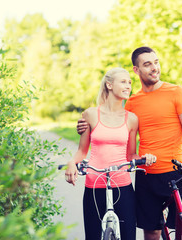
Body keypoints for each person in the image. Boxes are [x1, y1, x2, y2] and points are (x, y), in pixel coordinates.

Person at [77, 47, 182, 240]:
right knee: (151, 232)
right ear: (136, 70)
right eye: (147, 64)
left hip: (175, 172)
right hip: (146, 174)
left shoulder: (177, 92)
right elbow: (115, 126)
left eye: (156, 62)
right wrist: (86, 126)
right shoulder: (132, 102)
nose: (154, 68)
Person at [65, 67, 156, 240]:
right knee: (93, 236)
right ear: (109, 85)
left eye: (130, 82)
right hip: (94, 184)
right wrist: (71, 163)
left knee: (128, 236)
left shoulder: (131, 118)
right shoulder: (90, 114)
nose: (128, 85)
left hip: (122, 185)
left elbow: (131, 156)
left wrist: (145, 158)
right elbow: (82, 152)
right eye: (123, 81)